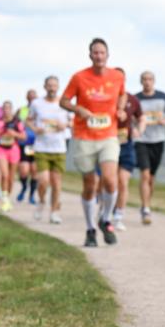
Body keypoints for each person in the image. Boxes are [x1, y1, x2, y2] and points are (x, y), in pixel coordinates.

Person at [60, 37, 126, 247]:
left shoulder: (116, 76)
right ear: (90, 55)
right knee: (90, 184)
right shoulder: (79, 78)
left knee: (110, 179)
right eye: (95, 52)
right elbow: (64, 100)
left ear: (108, 55)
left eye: (102, 52)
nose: (99, 56)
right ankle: (90, 229)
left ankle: (105, 219)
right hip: (84, 136)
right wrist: (77, 109)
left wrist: (121, 109)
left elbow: (122, 94)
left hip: (108, 134)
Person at [134, 71, 165, 225]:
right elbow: (132, 116)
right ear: (141, 81)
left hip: (158, 140)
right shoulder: (136, 99)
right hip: (141, 140)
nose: (147, 82)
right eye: (144, 79)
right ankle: (145, 208)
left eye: (150, 79)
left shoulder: (163, 97)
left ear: (154, 81)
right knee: (144, 175)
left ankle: (147, 203)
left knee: (151, 177)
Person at [27, 76, 68, 224]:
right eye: (49, 85)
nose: (52, 88)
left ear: (58, 87)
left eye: (54, 86)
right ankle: (41, 201)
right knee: (43, 180)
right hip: (42, 147)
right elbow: (29, 120)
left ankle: (54, 212)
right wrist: (35, 128)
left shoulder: (64, 103)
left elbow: (73, 121)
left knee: (57, 183)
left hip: (59, 147)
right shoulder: (37, 103)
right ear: (44, 87)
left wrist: (65, 125)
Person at [112, 68, 143, 231]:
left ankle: (118, 216)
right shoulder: (105, 97)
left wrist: (140, 128)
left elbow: (141, 117)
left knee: (123, 181)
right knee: (109, 183)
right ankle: (107, 210)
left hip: (126, 144)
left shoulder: (132, 99)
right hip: (108, 144)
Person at [0, 101, 26, 212]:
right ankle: (4, 198)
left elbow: (23, 136)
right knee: (4, 174)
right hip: (1, 149)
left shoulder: (17, 122)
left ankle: (7, 199)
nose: (6, 110)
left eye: (8, 108)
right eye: (4, 108)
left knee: (11, 178)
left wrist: (14, 134)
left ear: (11, 109)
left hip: (13, 150)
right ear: (2, 109)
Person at [16, 89, 39, 205]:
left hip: (38, 143)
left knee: (35, 171)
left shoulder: (41, 110)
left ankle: (32, 195)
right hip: (25, 143)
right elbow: (16, 124)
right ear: (27, 98)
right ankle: (24, 187)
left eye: (34, 96)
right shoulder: (22, 110)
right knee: (24, 171)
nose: (32, 98)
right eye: (30, 96)